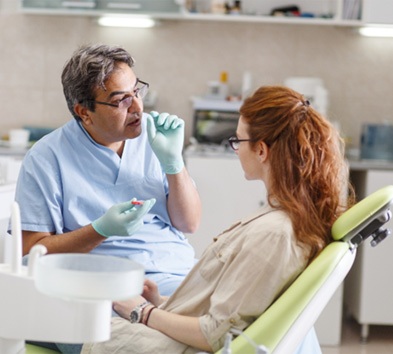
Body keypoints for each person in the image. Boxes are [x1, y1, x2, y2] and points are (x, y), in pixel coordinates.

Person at [81, 85, 355, 354]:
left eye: (238, 141)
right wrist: (162, 302)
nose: (235, 149)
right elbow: (235, 307)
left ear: (261, 150)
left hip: (185, 344)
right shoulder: (285, 221)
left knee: (82, 328)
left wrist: (143, 312)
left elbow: (214, 333)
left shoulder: (275, 234)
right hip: (184, 326)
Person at [15, 43, 202, 295]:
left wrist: (174, 164)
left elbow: (189, 223)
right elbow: (32, 252)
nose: (137, 107)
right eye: (121, 100)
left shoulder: (155, 135)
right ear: (84, 112)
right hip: (108, 283)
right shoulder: (46, 158)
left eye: (137, 92)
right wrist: (100, 230)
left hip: (177, 271)